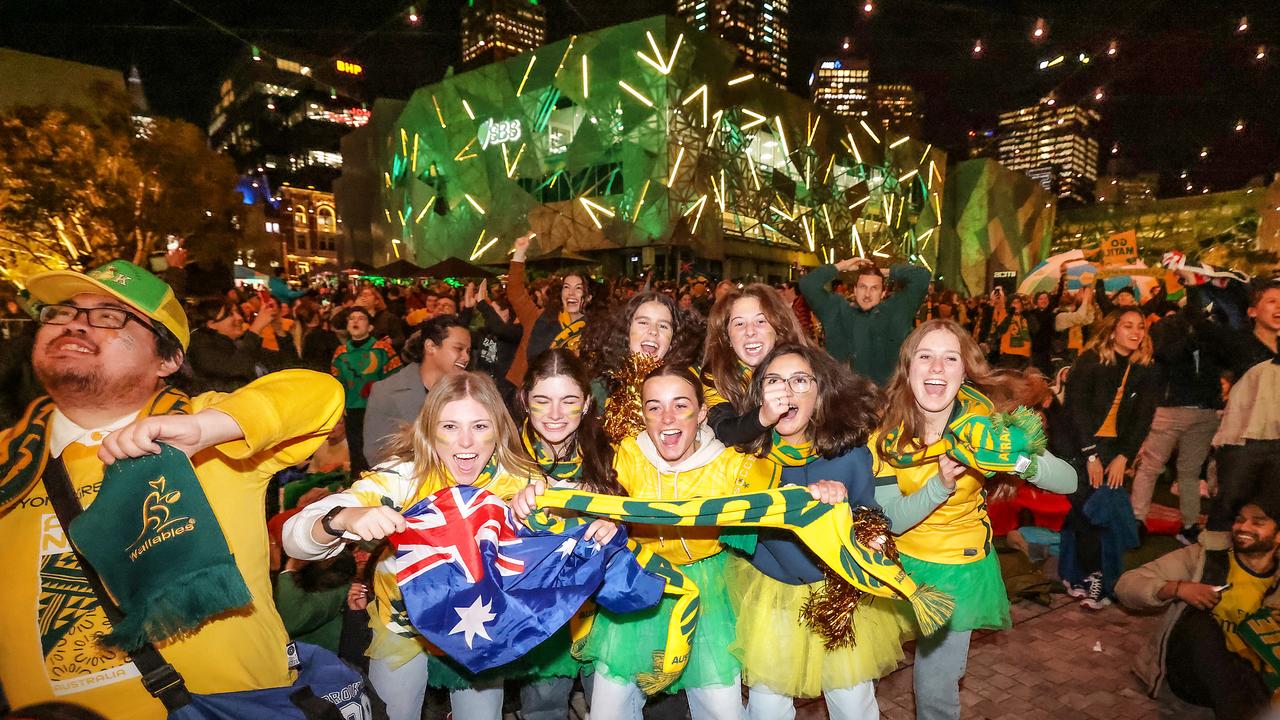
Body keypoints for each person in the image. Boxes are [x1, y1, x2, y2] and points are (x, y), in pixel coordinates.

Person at [0, 260, 345, 719]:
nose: (76, 324)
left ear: (168, 359)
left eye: (107, 315)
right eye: (61, 312)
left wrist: (207, 428)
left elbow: (317, 394)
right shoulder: (12, 458)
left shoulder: (205, 432)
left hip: (221, 708)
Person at [284, 372, 591, 720]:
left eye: (479, 426)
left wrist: (551, 512)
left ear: (499, 430)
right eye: (449, 427)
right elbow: (295, 537)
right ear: (429, 429)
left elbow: (582, 517)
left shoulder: (520, 481)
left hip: (482, 625)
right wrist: (342, 518)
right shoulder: (405, 477)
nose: (465, 442)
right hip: (404, 626)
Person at [514, 365, 781, 720]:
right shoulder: (629, 455)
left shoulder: (731, 466)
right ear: (643, 414)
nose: (667, 417)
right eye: (654, 406)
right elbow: (594, 494)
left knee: (721, 710)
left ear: (702, 412)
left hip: (709, 592)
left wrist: (823, 490)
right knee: (609, 710)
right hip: (640, 583)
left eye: (680, 405)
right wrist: (540, 497)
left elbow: (786, 491)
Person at [872, 319, 1077, 720]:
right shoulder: (883, 428)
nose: (936, 368)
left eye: (950, 358)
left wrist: (1016, 459)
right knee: (859, 675)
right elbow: (891, 519)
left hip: (956, 568)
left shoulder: (987, 422)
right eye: (925, 356)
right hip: (893, 567)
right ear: (908, 367)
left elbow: (1068, 481)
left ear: (964, 370)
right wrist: (939, 483)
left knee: (935, 684)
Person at [729, 343, 913, 720]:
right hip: (773, 594)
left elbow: (871, 519)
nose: (786, 391)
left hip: (837, 593)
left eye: (800, 380)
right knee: (766, 707)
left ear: (820, 392)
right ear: (761, 393)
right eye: (774, 380)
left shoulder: (850, 453)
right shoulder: (746, 457)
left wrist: (851, 515)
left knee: (853, 704)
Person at [512, 349, 626, 719]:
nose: (556, 414)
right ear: (524, 400)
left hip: (603, 607)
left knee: (611, 705)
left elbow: (640, 514)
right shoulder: (503, 454)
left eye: (569, 400)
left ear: (587, 402)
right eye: (542, 401)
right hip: (540, 608)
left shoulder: (611, 453)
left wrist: (617, 524)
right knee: (542, 706)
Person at [1116, 493, 1280, 720]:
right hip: (1192, 673)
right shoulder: (1205, 558)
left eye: (1258, 522)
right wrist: (1178, 588)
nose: (1243, 527)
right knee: (1199, 623)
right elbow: (1127, 585)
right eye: (1240, 519)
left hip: (1252, 678)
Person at [1060, 309, 1158, 607]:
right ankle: (1089, 575)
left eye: (1141, 326)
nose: (1136, 332)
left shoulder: (1145, 369)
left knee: (1100, 514)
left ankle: (1088, 576)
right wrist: (1090, 455)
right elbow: (1074, 411)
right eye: (1127, 325)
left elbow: (1143, 419)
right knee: (1085, 511)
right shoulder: (1090, 362)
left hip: (1114, 451)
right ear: (1112, 330)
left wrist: (1123, 457)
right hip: (1077, 448)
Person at [1130, 305, 1225, 545]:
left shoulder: (1215, 327)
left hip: (1203, 411)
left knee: (1189, 472)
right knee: (1151, 467)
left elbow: (1224, 361)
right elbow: (1165, 354)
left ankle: (1190, 525)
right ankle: (1136, 521)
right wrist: (1191, 335)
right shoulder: (1169, 326)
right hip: (1170, 408)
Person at [700, 284, 810, 445]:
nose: (750, 331)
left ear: (778, 330)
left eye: (760, 321)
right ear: (727, 337)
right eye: (739, 324)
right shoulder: (717, 376)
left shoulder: (804, 367)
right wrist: (764, 416)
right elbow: (723, 431)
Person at [799, 257, 930, 386]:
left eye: (874, 288)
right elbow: (808, 284)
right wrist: (842, 265)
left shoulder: (895, 312)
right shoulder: (836, 311)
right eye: (863, 287)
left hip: (885, 400)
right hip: (841, 398)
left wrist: (885, 271)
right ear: (855, 289)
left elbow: (922, 276)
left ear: (883, 292)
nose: (867, 294)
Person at [362, 315, 470, 467]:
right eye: (459, 349)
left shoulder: (469, 392)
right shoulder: (386, 391)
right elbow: (376, 455)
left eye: (468, 351)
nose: (466, 357)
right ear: (430, 346)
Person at [581, 291, 705, 417]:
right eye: (643, 323)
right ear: (626, 331)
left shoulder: (688, 386)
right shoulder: (601, 389)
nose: (653, 331)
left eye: (663, 326)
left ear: (673, 340)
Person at [506, 233, 591, 385]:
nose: (571, 293)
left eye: (578, 288)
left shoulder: (594, 331)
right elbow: (515, 292)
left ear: (588, 297)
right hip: (528, 393)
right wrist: (519, 254)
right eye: (567, 287)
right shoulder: (538, 317)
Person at [331, 307, 401, 473]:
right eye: (351, 318)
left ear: (370, 327)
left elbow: (395, 380)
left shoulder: (383, 350)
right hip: (352, 411)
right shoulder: (341, 353)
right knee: (357, 454)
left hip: (378, 411)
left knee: (379, 455)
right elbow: (336, 385)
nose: (355, 321)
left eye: (361, 318)